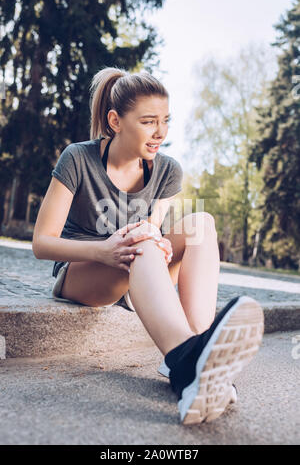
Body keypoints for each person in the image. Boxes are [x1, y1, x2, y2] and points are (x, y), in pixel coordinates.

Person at [32, 66, 264, 425]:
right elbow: (42, 243)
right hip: (85, 271)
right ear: (116, 120)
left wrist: (159, 245)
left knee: (201, 224)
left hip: (136, 265)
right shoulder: (78, 158)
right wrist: (104, 250)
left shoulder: (167, 170)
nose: (161, 133)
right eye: (149, 122)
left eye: (166, 121)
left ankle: (198, 352)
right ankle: (188, 367)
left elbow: (150, 230)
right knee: (142, 241)